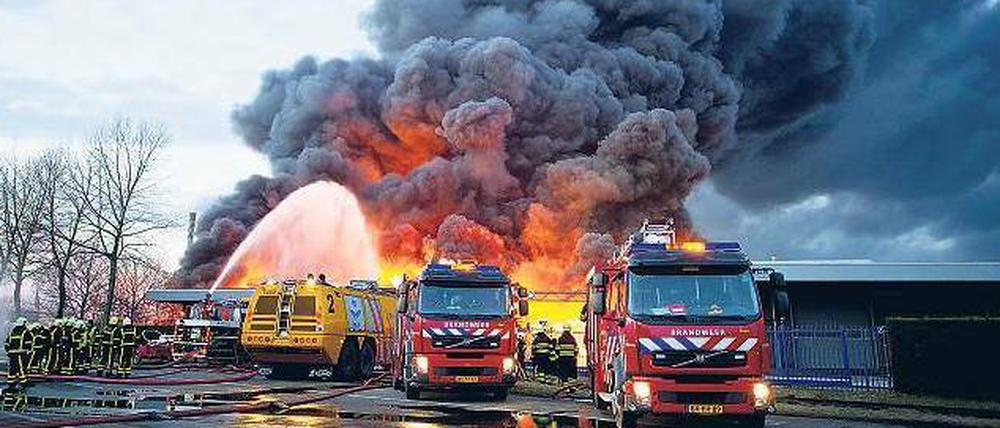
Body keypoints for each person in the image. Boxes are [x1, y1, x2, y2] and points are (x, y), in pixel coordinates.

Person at [4, 318, 29, 389]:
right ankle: (24, 383)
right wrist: (28, 351)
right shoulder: (25, 331)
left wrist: (8, 351)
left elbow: (7, 343)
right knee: (21, 367)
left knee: (12, 368)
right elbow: (28, 343)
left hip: (12, 353)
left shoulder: (12, 331)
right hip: (20, 353)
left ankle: (11, 382)